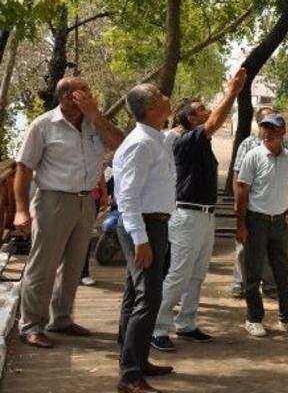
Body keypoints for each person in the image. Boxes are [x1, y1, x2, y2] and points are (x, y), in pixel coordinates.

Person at [14, 77, 124, 348]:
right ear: (66, 97)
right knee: (43, 266)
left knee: (74, 265)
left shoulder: (93, 123)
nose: (89, 96)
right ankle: (31, 325)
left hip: (86, 201)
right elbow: (24, 168)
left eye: (89, 91)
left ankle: (61, 319)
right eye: (82, 92)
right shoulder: (43, 125)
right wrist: (20, 210)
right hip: (54, 200)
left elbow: (119, 143)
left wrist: (96, 116)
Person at [151, 68, 247, 352]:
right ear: (190, 119)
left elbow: (213, 122)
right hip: (186, 214)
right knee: (179, 274)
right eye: (201, 109)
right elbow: (215, 121)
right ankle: (157, 327)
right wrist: (232, 93)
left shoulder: (199, 143)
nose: (207, 111)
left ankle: (186, 322)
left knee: (197, 274)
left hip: (205, 215)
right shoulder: (186, 140)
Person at [112, 83, 176, 393]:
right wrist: (140, 238)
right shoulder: (141, 143)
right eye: (159, 95)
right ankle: (130, 375)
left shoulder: (156, 138)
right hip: (143, 225)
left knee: (136, 294)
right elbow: (128, 196)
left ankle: (134, 359)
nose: (166, 97)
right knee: (148, 297)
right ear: (150, 108)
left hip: (153, 224)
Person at [235, 114, 288, 337]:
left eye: (272, 129)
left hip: (279, 222)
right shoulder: (253, 156)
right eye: (264, 128)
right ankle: (253, 318)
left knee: (283, 272)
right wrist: (241, 224)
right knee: (253, 272)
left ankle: (287, 317)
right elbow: (242, 191)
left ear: (282, 132)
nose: (267, 133)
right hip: (257, 220)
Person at [229, 105, 286, 299]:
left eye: (272, 122)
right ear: (258, 124)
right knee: (244, 245)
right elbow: (237, 174)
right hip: (251, 204)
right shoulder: (248, 144)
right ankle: (240, 283)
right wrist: (237, 202)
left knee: (270, 248)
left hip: (273, 206)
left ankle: (269, 284)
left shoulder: (285, 145)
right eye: (264, 123)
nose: (268, 128)